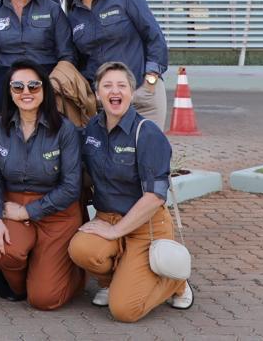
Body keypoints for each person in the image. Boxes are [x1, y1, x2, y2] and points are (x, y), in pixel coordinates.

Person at [69, 62, 193, 321]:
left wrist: (116, 230)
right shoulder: (91, 130)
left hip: (145, 225)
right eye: (107, 86)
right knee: (81, 249)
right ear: (97, 94)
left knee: (125, 310)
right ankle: (113, 280)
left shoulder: (146, 134)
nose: (115, 91)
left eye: (121, 85)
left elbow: (155, 196)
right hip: (107, 218)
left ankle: (175, 280)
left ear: (132, 92)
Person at [0, 61, 84, 310]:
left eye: (33, 86)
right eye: (17, 87)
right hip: (12, 208)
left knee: (44, 299)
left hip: (57, 212)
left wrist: (29, 211)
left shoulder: (65, 130)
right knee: (0, 250)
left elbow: (71, 187)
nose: (26, 92)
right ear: (9, 92)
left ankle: (73, 274)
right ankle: (29, 280)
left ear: (44, 90)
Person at [60, 0, 169, 126]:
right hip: (107, 102)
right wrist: (92, 94)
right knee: (114, 153)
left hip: (143, 94)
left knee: (148, 150)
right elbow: (80, 62)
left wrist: (150, 79)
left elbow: (154, 37)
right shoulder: (72, 18)